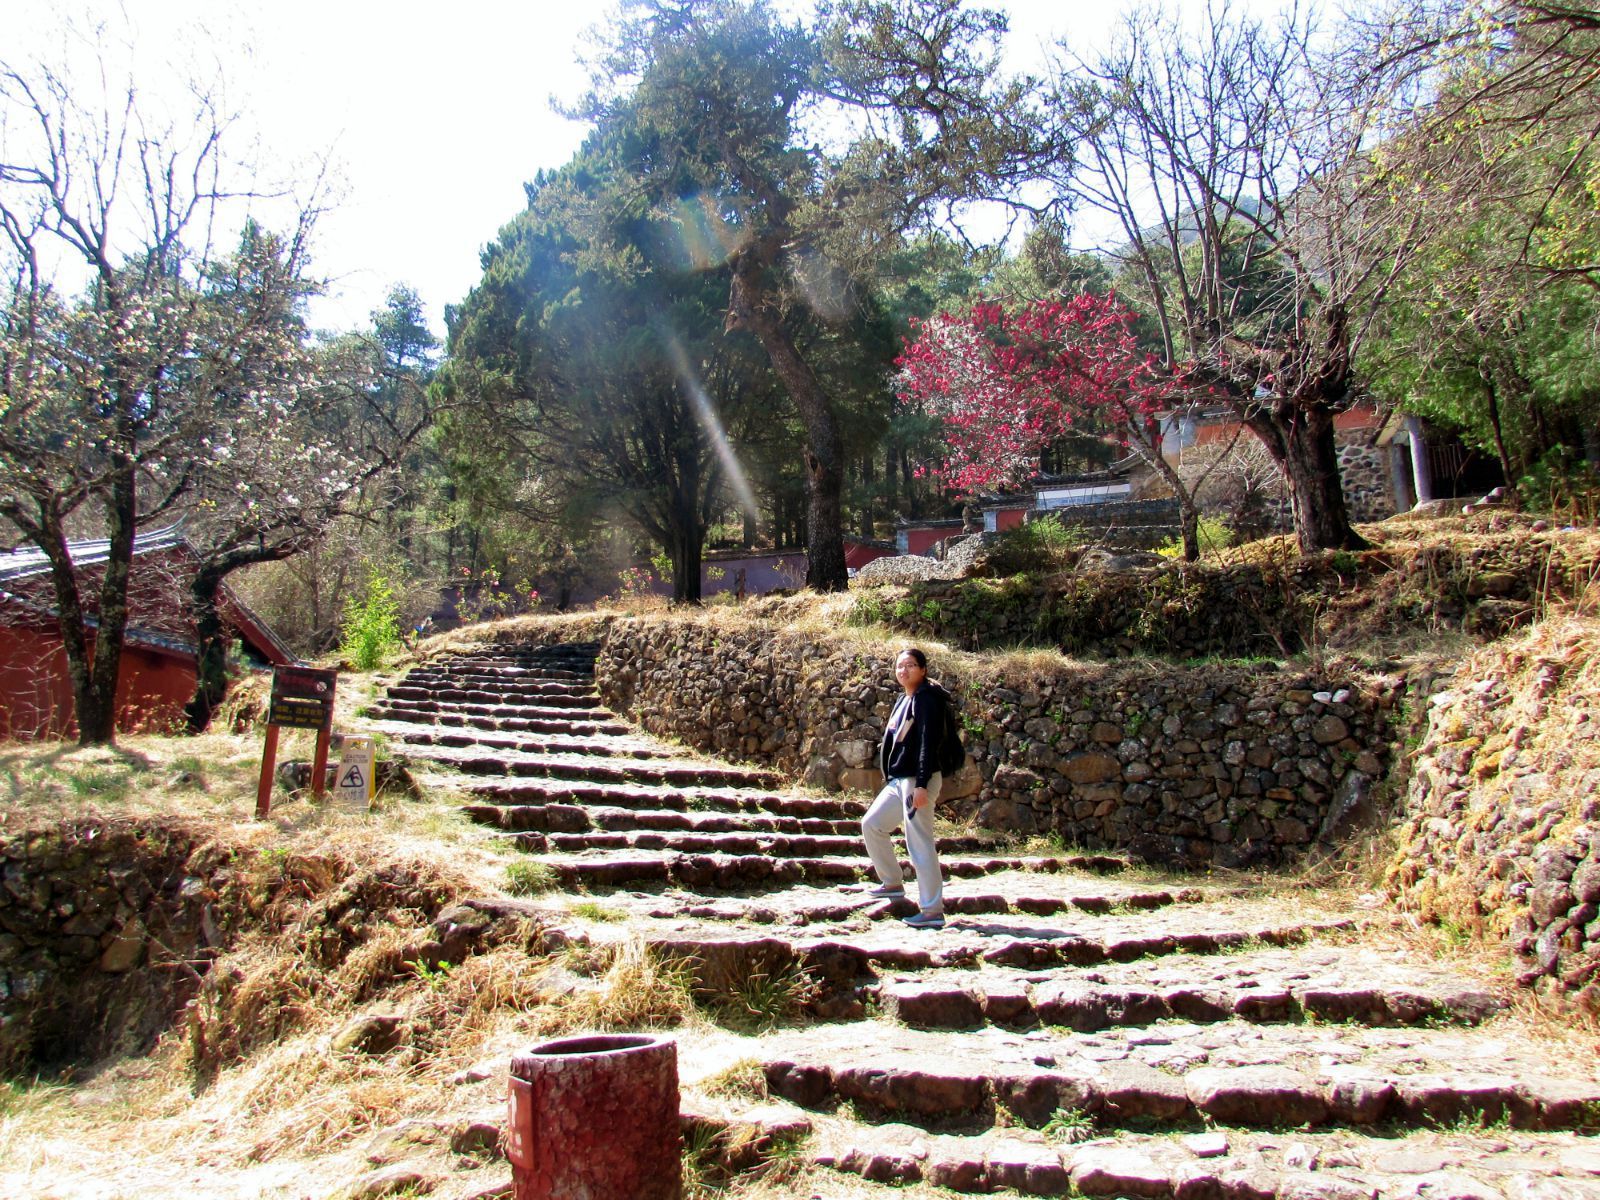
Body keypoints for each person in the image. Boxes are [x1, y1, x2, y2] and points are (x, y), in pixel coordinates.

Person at [861, 646, 949, 930]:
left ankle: (932, 909)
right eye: (900, 666)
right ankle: (892, 882)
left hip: (916, 780)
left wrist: (921, 785)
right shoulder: (904, 699)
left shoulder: (926, 700)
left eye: (910, 665)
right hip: (899, 779)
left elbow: (928, 744)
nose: (904, 670)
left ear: (923, 670)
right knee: (872, 824)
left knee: (919, 841)